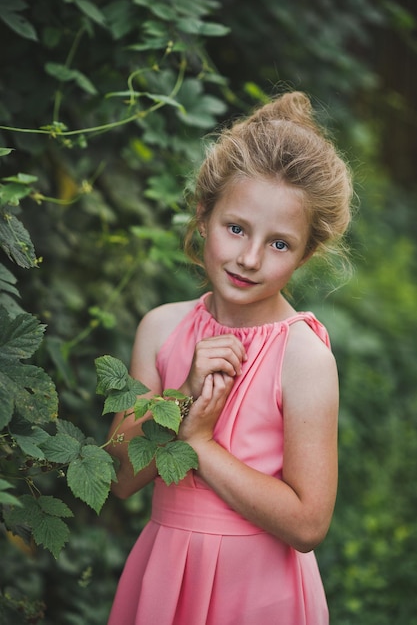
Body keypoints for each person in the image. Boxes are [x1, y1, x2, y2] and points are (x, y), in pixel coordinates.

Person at [106, 90, 353, 625]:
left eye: (280, 244)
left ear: (307, 252)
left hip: (259, 592)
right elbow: (119, 478)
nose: (249, 258)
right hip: (167, 575)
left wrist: (199, 444)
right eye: (236, 228)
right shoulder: (162, 330)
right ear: (203, 215)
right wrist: (183, 395)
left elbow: (309, 525)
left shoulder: (303, 358)